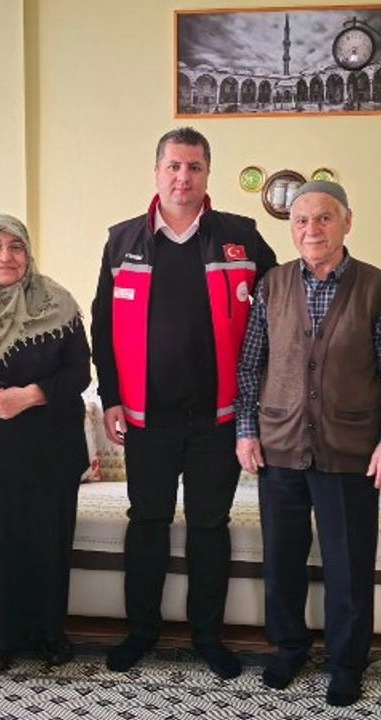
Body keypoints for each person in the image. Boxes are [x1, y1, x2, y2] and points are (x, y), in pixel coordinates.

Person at [90, 127, 277, 679]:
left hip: (218, 418)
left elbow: (278, 311)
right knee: (147, 522)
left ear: (206, 174)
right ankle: (141, 632)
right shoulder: (122, 241)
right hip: (146, 419)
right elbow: (102, 327)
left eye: (194, 167)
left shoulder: (241, 237)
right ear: (157, 172)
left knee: (208, 527)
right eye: (173, 166)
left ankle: (208, 637)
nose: (183, 177)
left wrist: (261, 402)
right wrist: (110, 398)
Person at [234, 180, 381, 707]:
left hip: (350, 450)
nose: (311, 229)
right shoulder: (271, 285)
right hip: (281, 446)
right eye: (301, 220)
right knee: (282, 561)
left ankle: (346, 664)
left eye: (324, 218)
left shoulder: (378, 287)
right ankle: (289, 649)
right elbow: (250, 365)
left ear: (347, 222)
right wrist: (246, 429)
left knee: (349, 566)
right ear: (291, 229)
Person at [0, 214, 91, 673]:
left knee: (44, 542)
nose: (5, 257)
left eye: (15, 246)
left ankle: (45, 632)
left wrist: (28, 396)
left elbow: (79, 372)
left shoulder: (57, 303)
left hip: (47, 449)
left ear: (28, 251)